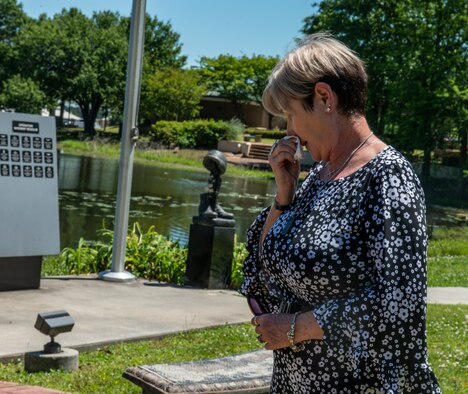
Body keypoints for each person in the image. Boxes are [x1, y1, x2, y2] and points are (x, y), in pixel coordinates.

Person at [240, 33, 441, 393]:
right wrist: (284, 196)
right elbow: (264, 264)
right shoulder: (319, 176)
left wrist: (294, 328)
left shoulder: (388, 176)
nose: (290, 133)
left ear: (324, 97)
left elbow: (399, 301)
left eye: (290, 114)